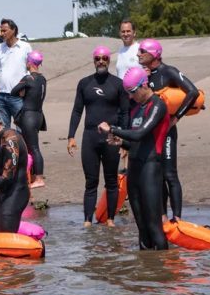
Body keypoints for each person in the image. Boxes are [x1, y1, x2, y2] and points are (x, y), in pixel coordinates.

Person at [97, 67, 170, 250]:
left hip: (151, 169)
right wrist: (120, 142)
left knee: (154, 227)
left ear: (144, 85)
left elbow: (141, 133)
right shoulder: (136, 108)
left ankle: (165, 274)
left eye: (133, 92)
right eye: (128, 93)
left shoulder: (158, 105)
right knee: (142, 228)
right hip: (135, 169)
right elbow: (135, 143)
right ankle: (146, 273)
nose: (131, 97)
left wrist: (112, 129)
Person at [67, 46, 129, 226]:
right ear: (93, 61)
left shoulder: (118, 84)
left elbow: (125, 113)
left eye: (104, 58)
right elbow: (77, 111)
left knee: (111, 180)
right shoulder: (84, 83)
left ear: (109, 61)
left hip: (112, 138)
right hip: (90, 138)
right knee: (91, 181)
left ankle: (110, 219)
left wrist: (123, 140)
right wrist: (71, 136)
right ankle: (87, 220)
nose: (101, 61)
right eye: (97, 58)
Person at [138, 39, 199, 220]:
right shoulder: (142, 74)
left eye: (142, 51)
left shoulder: (168, 72)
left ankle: (178, 217)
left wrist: (176, 117)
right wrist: (144, 78)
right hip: (148, 132)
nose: (138, 54)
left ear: (154, 54)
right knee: (156, 174)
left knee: (169, 174)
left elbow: (193, 92)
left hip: (166, 132)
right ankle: (163, 216)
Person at [11, 50, 48, 188]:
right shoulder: (42, 79)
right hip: (39, 116)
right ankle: (31, 175)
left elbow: (13, 91)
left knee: (33, 148)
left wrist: (22, 93)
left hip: (29, 116)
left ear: (30, 63)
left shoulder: (28, 79)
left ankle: (39, 178)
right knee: (32, 147)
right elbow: (36, 94)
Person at [0, 18, 32, 128]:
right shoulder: (0, 47)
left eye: (5, 30)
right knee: (4, 129)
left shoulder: (25, 47)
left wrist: (25, 87)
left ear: (13, 30)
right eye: (1, 31)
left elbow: (30, 69)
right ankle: (7, 146)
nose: (2, 33)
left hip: (17, 95)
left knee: (21, 127)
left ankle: (22, 145)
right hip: (0, 95)